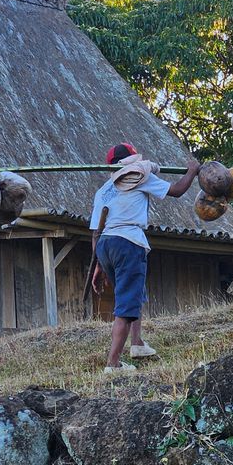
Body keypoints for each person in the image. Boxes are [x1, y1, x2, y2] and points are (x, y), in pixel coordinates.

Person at [90, 143, 201, 372]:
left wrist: (99, 265)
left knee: (134, 291)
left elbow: (95, 232)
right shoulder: (138, 176)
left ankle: (137, 343)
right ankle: (113, 364)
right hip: (128, 242)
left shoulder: (104, 190)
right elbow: (177, 190)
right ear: (133, 159)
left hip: (105, 245)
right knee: (127, 305)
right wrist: (192, 171)